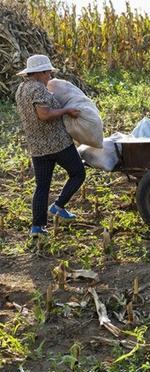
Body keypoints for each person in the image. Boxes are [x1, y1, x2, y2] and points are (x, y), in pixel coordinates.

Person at [15, 54, 85, 236]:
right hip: (56, 143)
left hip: (37, 147)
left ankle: (37, 228)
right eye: (48, 73)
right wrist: (66, 110)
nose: (50, 77)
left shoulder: (21, 89)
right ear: (40, 73)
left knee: (42, 186)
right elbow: (44, 115)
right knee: (78, 173)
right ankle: (58, 206)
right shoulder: (38, 89)